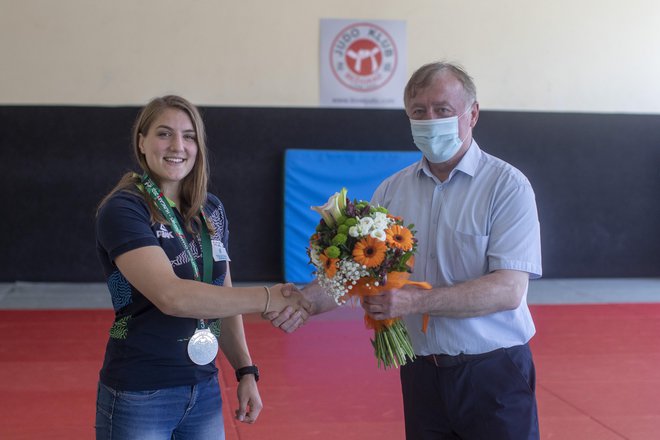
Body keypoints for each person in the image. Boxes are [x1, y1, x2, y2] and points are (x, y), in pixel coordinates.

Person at [270, 62, 542, 439]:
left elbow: (508, 290)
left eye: (443, 110)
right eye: (419, 112)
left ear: (472, 114)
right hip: (420, 371)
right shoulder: (391, 191)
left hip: (493, 372)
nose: (431, 120)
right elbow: (360, 272)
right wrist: (305, 302)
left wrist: (413, 303)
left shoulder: (507, 188)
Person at [94, 95, 310, 440]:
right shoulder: (124, 209)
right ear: (142, 142)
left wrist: (245, 370)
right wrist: (269, 297)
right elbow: (171, 296)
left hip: (203, 389)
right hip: (140, 391)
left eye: (189, 136)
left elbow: (222, 294)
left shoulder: (211, 209)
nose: (178, 146)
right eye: (164, 134)